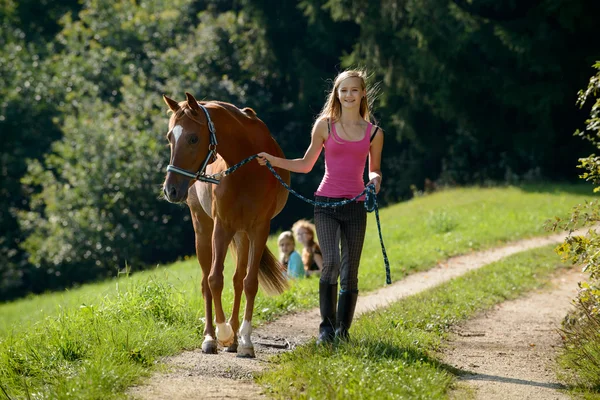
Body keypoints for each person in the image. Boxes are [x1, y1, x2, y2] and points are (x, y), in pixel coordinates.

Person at [257, 69, 384, 344]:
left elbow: (374, 171)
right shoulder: (325, 126)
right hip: (325, 204)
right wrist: (273, 161)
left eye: (354, 90)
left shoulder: (373, 133)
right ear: (336, 94)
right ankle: (325, 329)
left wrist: (374, 182)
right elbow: (305, 164)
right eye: (343, 90)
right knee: (332, 264)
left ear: (362, 93)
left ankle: (343, 331)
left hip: (355, 206)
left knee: (351, 270)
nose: (349, 95)